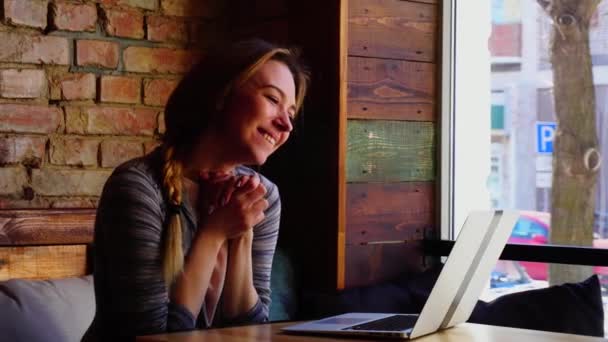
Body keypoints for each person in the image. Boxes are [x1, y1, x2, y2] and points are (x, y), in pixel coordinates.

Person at [82, 38, 309, 341]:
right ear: (221, 94)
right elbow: (154, 337)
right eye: (272, 99)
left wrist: (240, 235)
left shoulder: (262, 196)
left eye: (291, 114)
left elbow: (252, 331)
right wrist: (214, 233)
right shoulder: (138, 188)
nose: (286, 125)